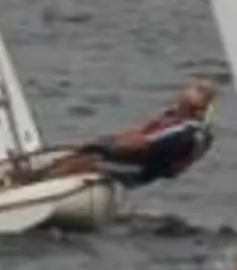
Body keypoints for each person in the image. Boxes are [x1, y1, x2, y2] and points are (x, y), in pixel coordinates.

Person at [80, 79, 216, 188]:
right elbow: (140, 131)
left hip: (142, 169)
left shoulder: (184, 132)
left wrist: (98, 148)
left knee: (85, 158)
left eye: (183, 101)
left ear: (194, 106)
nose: (178, 100)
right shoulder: (172, 117)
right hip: (136, 159)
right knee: (91, 149)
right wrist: (104, 142)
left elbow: (140, 144)